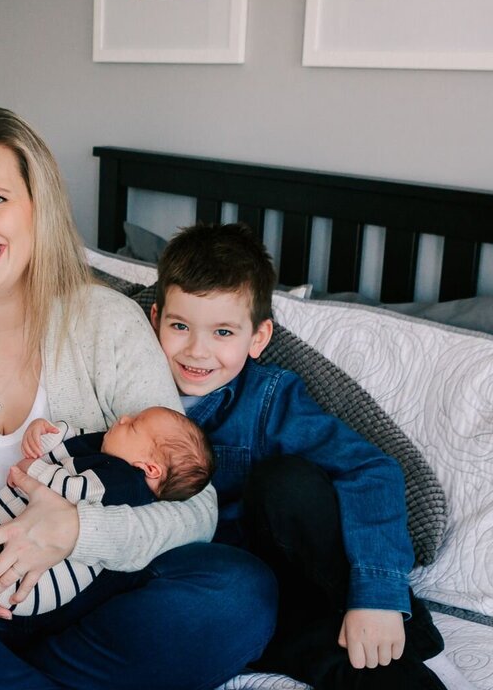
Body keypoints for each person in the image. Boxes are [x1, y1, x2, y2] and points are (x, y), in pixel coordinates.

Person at [0, 106, 277, 690]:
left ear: (39, 206)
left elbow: (195, 510)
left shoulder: (107, 321)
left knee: (238, 590)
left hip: (84, 597)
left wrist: (76, 532)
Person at [150, 222, 445, 689]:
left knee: (286, 482)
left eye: (223, 331)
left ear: (258, 338)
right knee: (324, 650)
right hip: (230, 593)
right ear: (155, 320)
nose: (196, 351)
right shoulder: (126, 391)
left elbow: (370, 470)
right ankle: (374, 650)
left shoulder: (269, 399)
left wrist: (378, 594)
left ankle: (383, 618)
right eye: (180, 326)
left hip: (299, 572)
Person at [0, 406, 213, 616]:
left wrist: (34, 469)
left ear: (149, 468)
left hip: (27, 580)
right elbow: (72, 440)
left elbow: (72, 487)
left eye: (133, 425)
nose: (123, 417)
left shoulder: (125, 483)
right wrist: (46, 433)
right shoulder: (112, 453)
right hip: (5, 522)